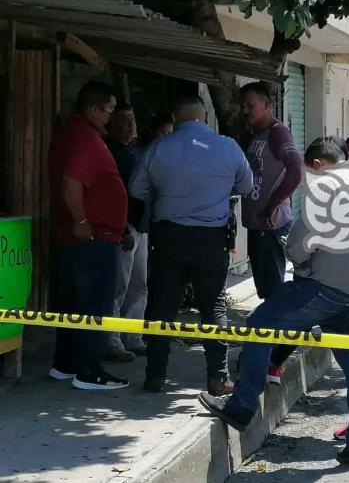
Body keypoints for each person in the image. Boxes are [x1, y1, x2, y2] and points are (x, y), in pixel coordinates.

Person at [198, 136, 349, 468]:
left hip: (325, 288)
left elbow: (299, 247)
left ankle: (242, 406)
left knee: (259, 325)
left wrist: (294, 247)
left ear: (318, 165)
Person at [129, 96, 253, 395]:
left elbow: (136, 189)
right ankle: (218, 377)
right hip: (211, 239)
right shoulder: (229, 147)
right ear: (206, 118)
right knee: (214, 308)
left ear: (175, 117)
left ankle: (155, 377)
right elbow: (246, 187)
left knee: (162, 308)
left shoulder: (159, 148)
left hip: (169, 237)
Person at [48, 81, 129, 391]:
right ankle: (89, 371)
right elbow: (72, 179)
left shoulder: (73, 133)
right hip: (91, 237)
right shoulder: (85, 138)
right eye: (108, 110)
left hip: (76, 238)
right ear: (93, 109)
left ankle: (65, 364)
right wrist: (82, 220)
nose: (110, 117)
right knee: (93, 304)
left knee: (71, 304)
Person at [238, 82, 304, 384]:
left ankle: (271, 358)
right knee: (268, 292)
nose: (246, 110)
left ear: (266, 104)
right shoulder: (256, 135)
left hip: (271, 226)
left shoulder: (278, 132)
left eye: (251, 104)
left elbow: (295, 170)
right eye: (244, 105)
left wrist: (272, 206)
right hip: (257, 226)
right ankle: (270, 355)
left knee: (273, 294)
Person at [103, 104, 148, 362]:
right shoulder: (109, 152)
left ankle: (133, 336)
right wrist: (121, 228)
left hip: (141, 227)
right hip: (123, 230)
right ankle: (112, 339)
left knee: (138, 286)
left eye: (132, 120)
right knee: (118, 286)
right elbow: (110, 196)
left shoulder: (136, 151)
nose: (130, 126)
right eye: (123, 121)